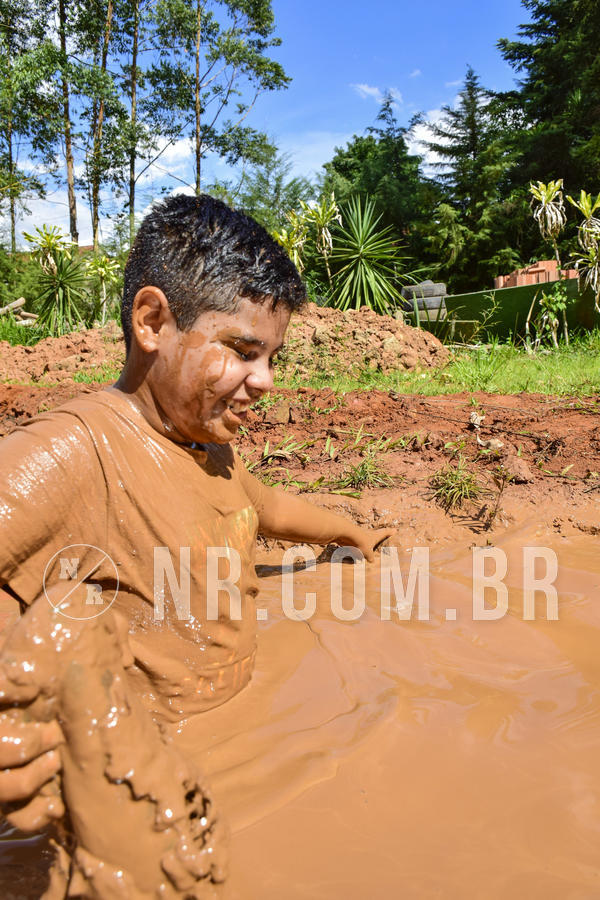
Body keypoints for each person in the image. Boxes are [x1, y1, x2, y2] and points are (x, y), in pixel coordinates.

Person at [0, 194, 393, 897]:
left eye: (271, 357)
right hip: (152, 769)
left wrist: (348, 531)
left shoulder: (207, 449)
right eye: (242, 351)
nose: (266, 381)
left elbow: (265, 508)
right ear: (152, 322)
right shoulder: (78, 450)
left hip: (235, 736)